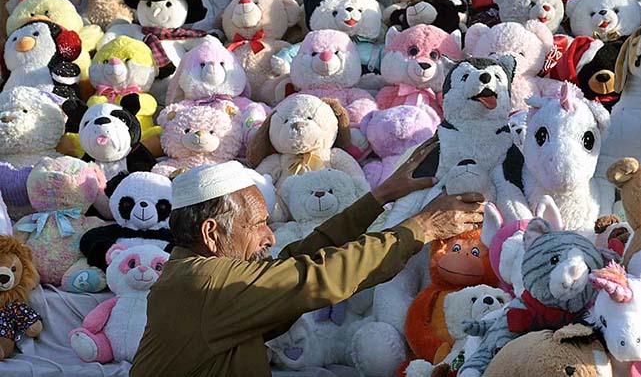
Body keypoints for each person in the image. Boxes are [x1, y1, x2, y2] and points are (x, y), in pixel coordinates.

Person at [130, 140, 485, 377]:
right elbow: (318, 275)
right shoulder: (206, 283)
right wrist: (421, 227)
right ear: (212, 234)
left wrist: (381, 196)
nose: (269, 236)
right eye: (257, 225)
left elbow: (297, 260)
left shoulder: (202, 273)